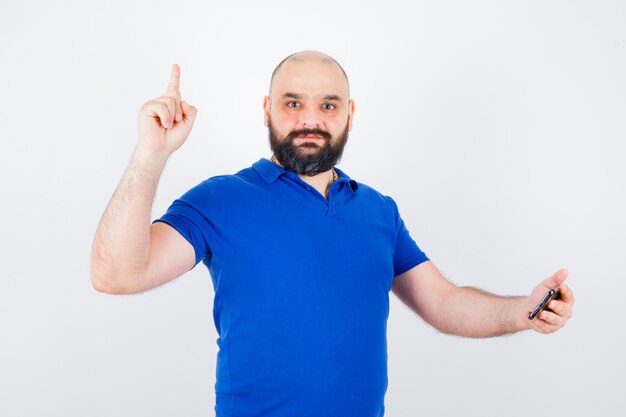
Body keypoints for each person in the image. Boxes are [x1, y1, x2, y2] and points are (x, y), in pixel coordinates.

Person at [90, 50, 575, 417]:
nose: (310, 119)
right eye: (293, 102)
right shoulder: (220, 199)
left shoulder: (378, 211)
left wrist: (524, 312)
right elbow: (116, 275)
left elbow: (443, 303)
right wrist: (150, 155)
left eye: (328, 104)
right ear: (266, 109)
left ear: (349, 113)